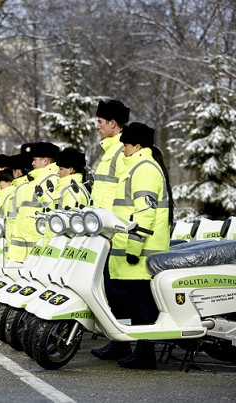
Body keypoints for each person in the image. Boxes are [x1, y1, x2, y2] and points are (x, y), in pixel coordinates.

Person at [110, 122, 173, 370]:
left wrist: (134, 248)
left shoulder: (144, 169)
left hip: (141, 252)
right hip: (137, 250)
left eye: (125, 144)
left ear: (137, 146)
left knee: (143, 304)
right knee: (139, 303)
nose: (122, 149)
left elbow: (144, 214)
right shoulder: (138, 167)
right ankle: (142, 352)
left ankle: (146, 354)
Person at [90, 100, 133, 360]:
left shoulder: (120, 152)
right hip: (106, 231)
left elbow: (125, 194)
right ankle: (118, 342)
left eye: (101, 122)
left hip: (116, 232)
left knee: (119, 289)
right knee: (109, 288)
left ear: (113, 124)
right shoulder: (110, 152)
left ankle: (124, 343)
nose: (97, 126)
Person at [8, 142, 60, 263]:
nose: (32, 164)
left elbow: (51, 219)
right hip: (25, 254)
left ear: (45, 161)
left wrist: (46, 255)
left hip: (34, 255)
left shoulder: (49, 181)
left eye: (35, 160)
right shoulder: (37, 181)